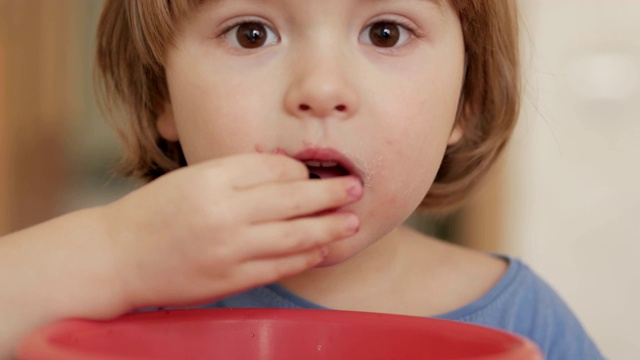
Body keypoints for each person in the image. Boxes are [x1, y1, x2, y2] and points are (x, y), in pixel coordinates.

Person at [0, 0, 605, 359]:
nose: (320, 90)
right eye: (251, 32)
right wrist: (114, 255)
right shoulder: (108, 292)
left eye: (385, 32)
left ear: (465, 102)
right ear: (164, 96)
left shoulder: (527, 322)